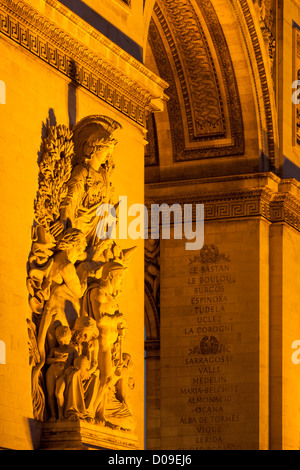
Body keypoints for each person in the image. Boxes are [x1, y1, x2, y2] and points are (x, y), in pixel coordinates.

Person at [45, 325, 78, 421]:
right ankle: (53, 415)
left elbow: (77, 364)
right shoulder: (54, 350)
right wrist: (58, 359)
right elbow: (47, 360)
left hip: (63, 374)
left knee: (59, 393)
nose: (62, 343)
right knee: (50, 394)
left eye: (64, 340)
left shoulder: (73, 350)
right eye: (60, 341)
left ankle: (61, 415)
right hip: (51, 372)